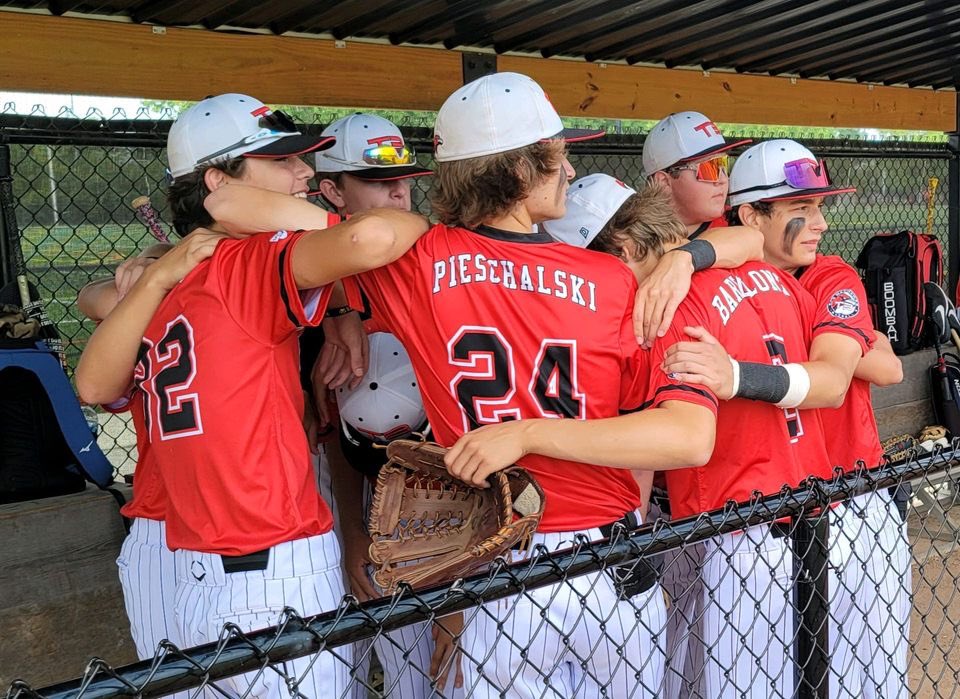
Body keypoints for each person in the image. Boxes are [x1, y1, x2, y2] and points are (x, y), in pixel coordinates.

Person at [204, 72, 718, 698]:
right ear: (521, 169)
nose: (568, 169)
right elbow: (690, 437)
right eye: (557, 155)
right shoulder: (613, 279)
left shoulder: (418, 260)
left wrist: (525, 434)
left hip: (496, 574)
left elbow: (228, 204)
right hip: (605, 564)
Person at [75, 92, 430, 699]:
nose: (304, 172)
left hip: (186, 547)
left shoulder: (183, 269)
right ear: (220, 184)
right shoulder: (244, 262)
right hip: (261, 558)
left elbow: (94, 326)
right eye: (281, 160)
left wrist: (159, 267)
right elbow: (377, 237)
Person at [472, 170, 858, 698]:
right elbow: (749, 244)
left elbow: (679, 439)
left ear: (626, 249)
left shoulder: (664, 308)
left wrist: (531, 435)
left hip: (736, 529)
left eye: (596, 264)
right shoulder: (765, 272)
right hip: (816, 512)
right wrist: (686, 258)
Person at [672, 139, 909, 698]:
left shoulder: (829, 276)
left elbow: (834, 382)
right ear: (750, 217)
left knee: (865, 680)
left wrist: (737, 374)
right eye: (801, 207)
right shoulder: (714, 273)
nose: (821, 223)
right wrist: (688, 256)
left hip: (852, 500)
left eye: (821, 206)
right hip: (753, 519)